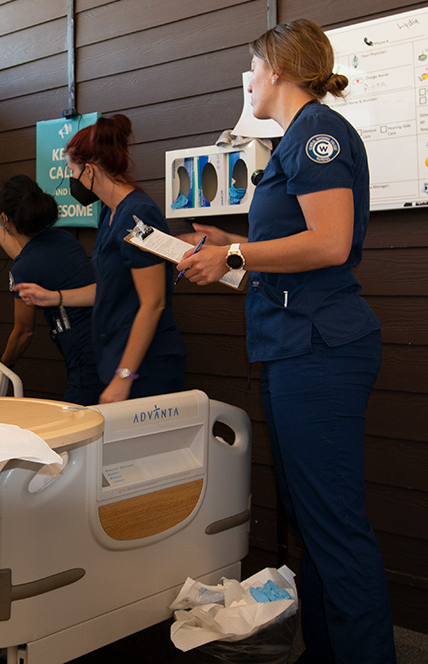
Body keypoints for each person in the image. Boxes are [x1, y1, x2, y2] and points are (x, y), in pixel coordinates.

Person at [175, 19, 395, 664]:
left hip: (320, 350)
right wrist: (224, 252)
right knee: (315, 526)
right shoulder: (295, 140)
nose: (247, 77)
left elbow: (328, 244)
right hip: (294, 346)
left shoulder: (320, 135)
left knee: (335, 528)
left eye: (252, 64)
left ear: (275, 69)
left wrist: (236, 250)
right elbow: (288, 257)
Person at [14, 115, 186, 403]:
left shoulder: (137, 215)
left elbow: (153, 302)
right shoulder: (111, 213)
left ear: (90, 171)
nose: (72, 182)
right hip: (116, 361)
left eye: (73, 173)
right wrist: (53, 297)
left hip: (147, 370)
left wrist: (124, 377)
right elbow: (108, 289)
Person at [0, 175, 103, 405]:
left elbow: (23, 332)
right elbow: (26, 255)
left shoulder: (25, 268)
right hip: (107, 340)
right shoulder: (63, 239)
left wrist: (3, 368)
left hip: (84, 357)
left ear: (6, 217)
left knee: (81, 426)